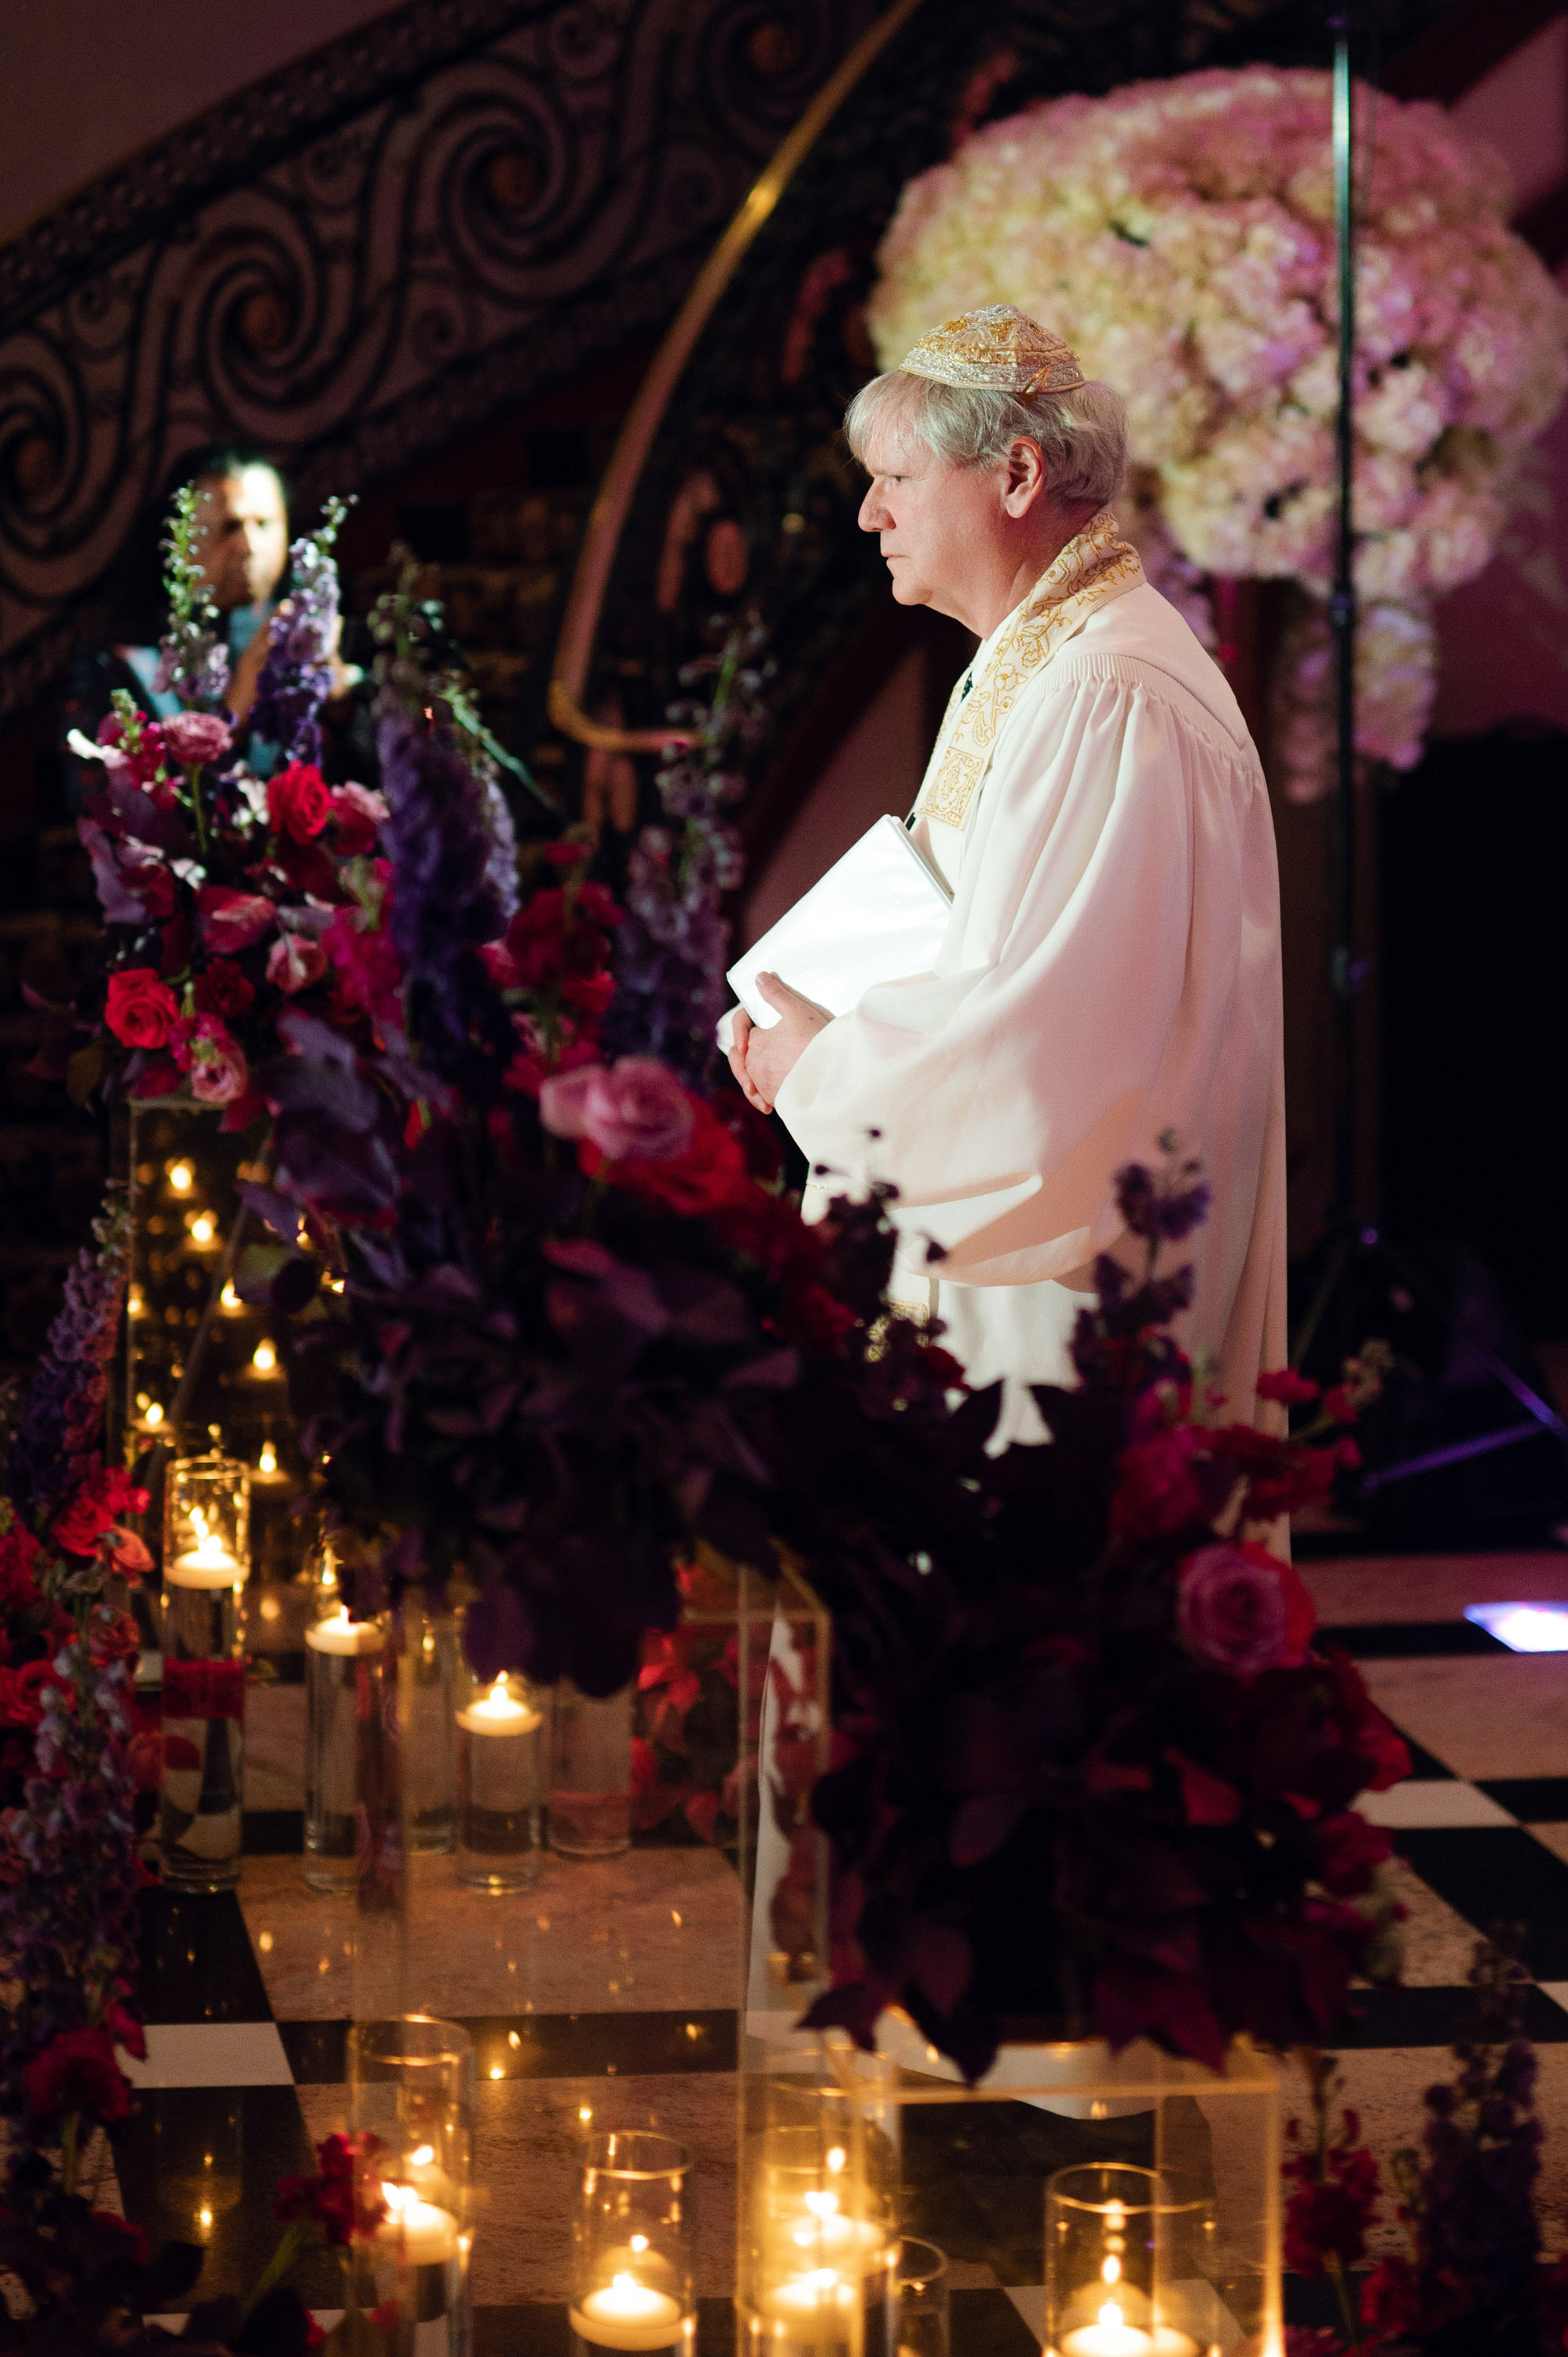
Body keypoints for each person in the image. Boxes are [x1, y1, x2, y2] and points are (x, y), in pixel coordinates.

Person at [727, 305, 1286, 1434]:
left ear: (1018, 474)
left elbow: (1053, 1049)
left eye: (897, 477)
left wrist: (826, 1072)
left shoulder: (1103, 691)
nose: (868, 512)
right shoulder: (1040, 663)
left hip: (1053, 1308)